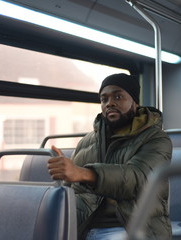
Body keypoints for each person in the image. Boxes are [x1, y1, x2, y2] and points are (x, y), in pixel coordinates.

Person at [48, 73, 172, 239]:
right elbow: (73, 192)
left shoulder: (156, 138)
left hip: (132, 226)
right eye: (104, 99)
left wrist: (84, 173)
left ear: (135, 102)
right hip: (84, 227)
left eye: (118, 97)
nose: (110, 103)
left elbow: (138, 178)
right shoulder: (87, 142)